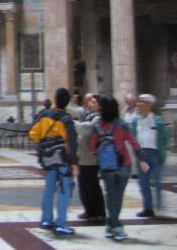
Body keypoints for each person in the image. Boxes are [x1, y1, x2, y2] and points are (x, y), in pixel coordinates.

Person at [89, 96, 149, 241]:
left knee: (111, 196)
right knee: (118, 196)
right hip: (124, 164)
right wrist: (141, 159)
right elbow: (133, 142)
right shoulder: (122, 125)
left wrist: (102, 152)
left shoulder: (97, 126)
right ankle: (116, 226)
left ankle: (111, 225)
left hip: (106, 166)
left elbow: (92, 148)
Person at [29, 87, 79, 235]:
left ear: (55, 99)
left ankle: (46, 220)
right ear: (67, 102)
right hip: (63, 160)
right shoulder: (67, 119)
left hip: (48, 158)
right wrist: (74, 163)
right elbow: (72, 143)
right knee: (64, 190)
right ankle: (61, 223)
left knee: (49, 189)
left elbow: (33, 134)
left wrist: (46, 143)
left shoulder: (43, 115)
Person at [131, 93, 168, 217]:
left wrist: (162, 154)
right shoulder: (136, 121)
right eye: (138, 101)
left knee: (157, 181)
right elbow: (133, 138)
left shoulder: (157, 120)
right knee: (143, 182)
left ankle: (159, 207)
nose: (139, 104)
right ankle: (148, 208)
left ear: (149, 104)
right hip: (142, 155)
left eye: (142, 101)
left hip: (154, 154)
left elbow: (164, 138)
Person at [75, 94, 106, 221]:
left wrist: (73, 123)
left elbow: (86, 129)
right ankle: (88, 210)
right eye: (89, 101)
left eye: (93, 102)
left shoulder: (99, 118)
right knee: (83, 185)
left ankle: (99, 212)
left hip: (91, 158)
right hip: (82, 156)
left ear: (100, 105)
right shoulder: (88, 115)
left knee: (92, 186)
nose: (89, 103)